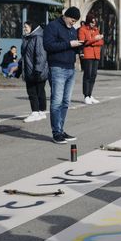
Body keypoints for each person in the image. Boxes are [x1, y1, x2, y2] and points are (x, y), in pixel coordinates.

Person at [44, 7, 83, 144]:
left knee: (66, 102)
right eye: (72, 20)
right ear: (66, 16)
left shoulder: (72, 30)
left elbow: (70, 46)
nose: (73, 23)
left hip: (70, 69)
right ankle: (56, 133)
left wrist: (78, 47)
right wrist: (69, 44)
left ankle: (61, 129)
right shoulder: (52, 27)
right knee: (57, 101)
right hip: (57, 68)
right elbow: (48, 46)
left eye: (75, 21)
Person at [21, 21, 49, 122]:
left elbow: (41, 55)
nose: (24, 29)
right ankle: (41, 111)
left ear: (32, 27)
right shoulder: (28, 38)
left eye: (26, 27)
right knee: (39, 91)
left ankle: (35, 112)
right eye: (24, 27)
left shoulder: (37, 38)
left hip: (36, 70)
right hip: (31, 69)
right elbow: (25, 56)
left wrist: (37, 70)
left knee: (33, 91)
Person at [78, 14, 104, 104]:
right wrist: (94, 39)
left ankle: (90, 94)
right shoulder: (82, 29)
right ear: (88, 21)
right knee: (87, 75)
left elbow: (101, 42)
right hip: (88, 55)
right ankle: (86, 95)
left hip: (96, 55)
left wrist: (93, 41)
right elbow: (83, 42)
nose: (94, 24)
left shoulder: (96, 29)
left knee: (93, 75)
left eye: (94, 22)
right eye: (92, 22)